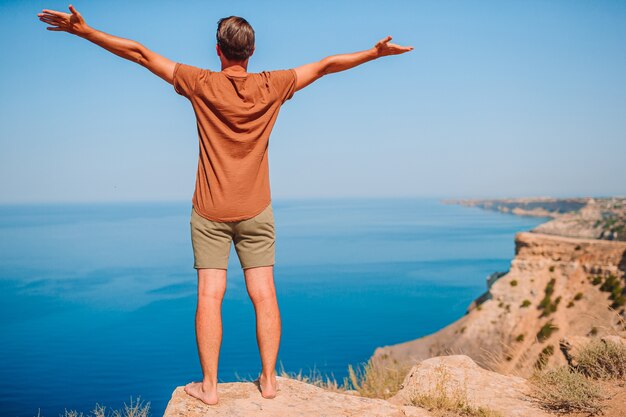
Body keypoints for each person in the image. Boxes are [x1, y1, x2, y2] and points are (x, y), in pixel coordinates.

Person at [37, 4, 413, 405]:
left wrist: (86, 32)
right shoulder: (274, 84)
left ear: (219, 50)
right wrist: (373, 54)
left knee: (209, 296)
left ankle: (210, 388)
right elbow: (324, 65)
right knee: (264, 294)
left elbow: (141, 54)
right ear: (251, 52)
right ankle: (269, 382)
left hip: (209, 211)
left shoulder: (201, 83)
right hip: (256, 209)